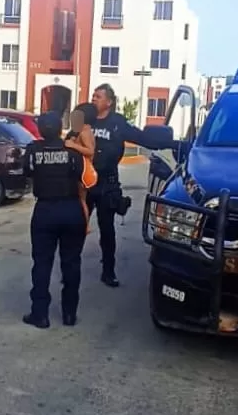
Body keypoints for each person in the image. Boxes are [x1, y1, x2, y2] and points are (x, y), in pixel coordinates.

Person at [23, 111, 96, 329]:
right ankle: (69, 314)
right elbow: (87, 180)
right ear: (59, 129)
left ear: (40, 130)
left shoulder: (33, 150)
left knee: (42, 263)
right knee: (72, 263)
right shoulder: (73, 151)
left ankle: (40, 314)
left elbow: (26, 171)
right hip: (71, 209)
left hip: (45, 210)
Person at [89, 83, 155, 288]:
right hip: (84, 183)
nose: (93, 99)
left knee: (107, 230)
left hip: (107, 185)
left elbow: (142, 138)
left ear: (109, 102)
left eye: (98, 96)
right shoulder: (85, 120)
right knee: (74, 227)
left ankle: (108, 271)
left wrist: (170, 143)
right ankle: (69, 268)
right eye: (93, 96)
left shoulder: (117, 122)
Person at [64, 102, 97, 232]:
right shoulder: (81, 131)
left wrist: (72, 146)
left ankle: (86, 226)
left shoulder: (85, 132)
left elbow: (90, 151)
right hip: (82, 169)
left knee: (81, 200)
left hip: (84, 171)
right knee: (79, 199)